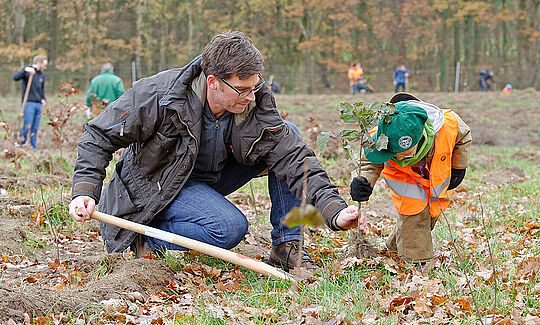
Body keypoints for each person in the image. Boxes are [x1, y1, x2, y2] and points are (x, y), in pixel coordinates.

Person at [69, 31, 360, 272]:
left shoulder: (254, 102)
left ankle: (286, 248)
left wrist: (333, 211)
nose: (250, 97)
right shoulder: (158, 95)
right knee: (228, 227)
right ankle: (147, 238)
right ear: (213, 82)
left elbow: (295, 159)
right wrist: (84, 190)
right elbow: (98, 135)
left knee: (289, 132)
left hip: (210, 177)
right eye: (242, 89)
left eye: (254, 88)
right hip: (155, 185)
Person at [349, 92, 471, 266]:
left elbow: (464, 136)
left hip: (431, 176)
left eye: (403, 154)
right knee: (414, 213)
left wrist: (459, 167)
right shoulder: (379, 136)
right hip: (403, 177)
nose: (398, 158)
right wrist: (362, 181)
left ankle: (395, 247)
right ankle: (418, 264)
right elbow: (367, 161)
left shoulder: (449, 125)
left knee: (428, 215)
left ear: (419, 138)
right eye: (393, 154)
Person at [12, 55, 48, 149]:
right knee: (27, 126)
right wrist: (25, 70)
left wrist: (43, 99)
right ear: (39, 63)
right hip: (28, 103)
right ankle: (20, 145)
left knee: (35, 128)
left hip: (38, 103)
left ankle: (33, 146)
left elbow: (41, 89)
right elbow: (15, 77)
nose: (45, 67)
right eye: (44, 65)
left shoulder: (42, 75)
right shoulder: (28, 72)